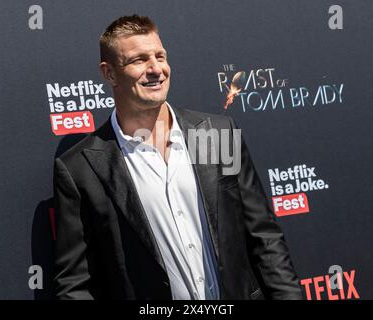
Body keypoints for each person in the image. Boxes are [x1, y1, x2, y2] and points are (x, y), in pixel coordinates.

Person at [53, 14, 303, 300]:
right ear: (109, 74)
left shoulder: (217, 134)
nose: (156, 69)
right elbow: (75, 284)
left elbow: (264, 238)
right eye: (139, 60)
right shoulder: (81, 168)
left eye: (160, 56)